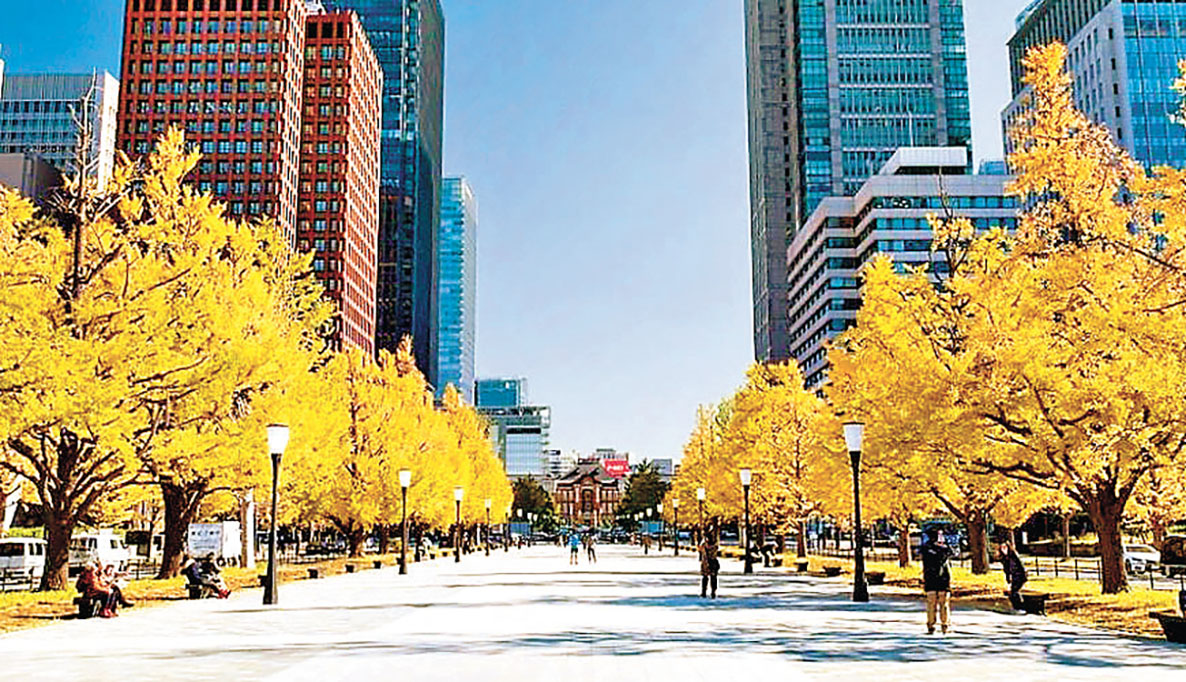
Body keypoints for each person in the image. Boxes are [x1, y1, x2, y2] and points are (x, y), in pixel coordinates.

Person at [920, 526, 954, 634]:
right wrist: (944, 545)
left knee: (931, 603)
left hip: (930, 578)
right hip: (942, 578)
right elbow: (951, 552)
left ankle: (931, 625)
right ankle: (944, 625)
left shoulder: (925, 548)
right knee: (943, 603)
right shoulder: (942, 549)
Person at [1000, 540, 1028, 612]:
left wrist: (1024, 575)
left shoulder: (1014, 555)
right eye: (1002, 548)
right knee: (1012, 592)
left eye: (1005, 547)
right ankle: (1017, 607)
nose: (1004, 549)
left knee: (1014, 591)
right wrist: (1008, 579)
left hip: (1020, 576)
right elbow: (1006, 570)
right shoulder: (1004, 558)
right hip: (1014, 576)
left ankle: (1021, 606)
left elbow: (1021, 565)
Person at [699, 520, 720, 599]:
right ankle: (708, 592)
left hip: (709, 561)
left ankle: (709, 592)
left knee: (708, 577)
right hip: (710, 561)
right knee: (711, 577)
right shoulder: (712, 545)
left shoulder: (709, 545)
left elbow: (700, 548)